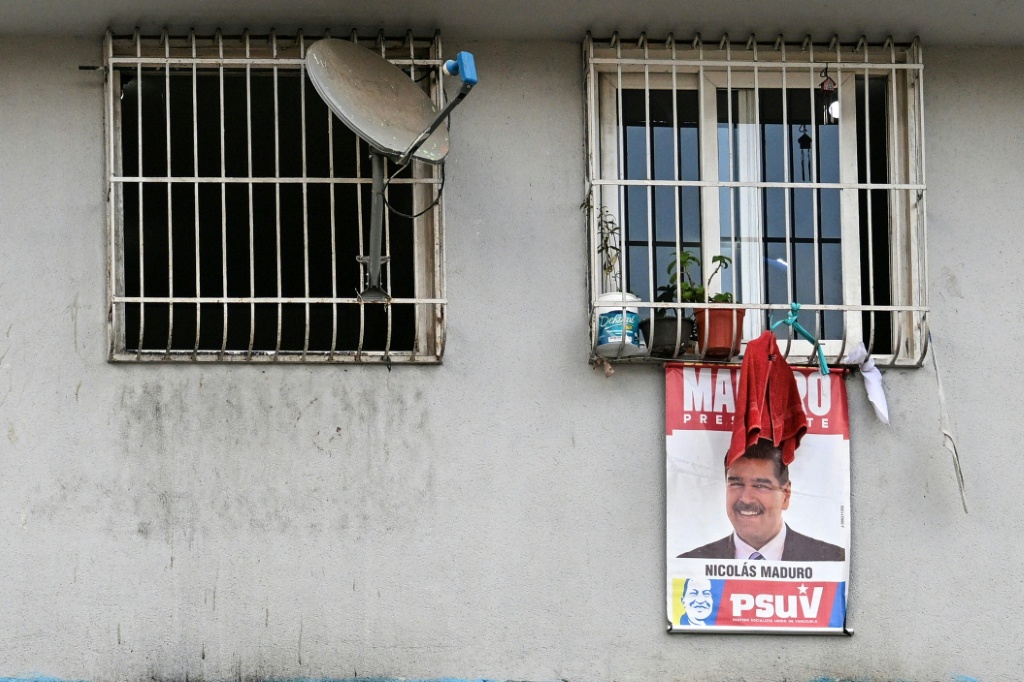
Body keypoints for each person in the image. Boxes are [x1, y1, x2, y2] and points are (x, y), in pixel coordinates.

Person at [678, 439, 845, 561]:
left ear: (786, 495)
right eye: (736, 484)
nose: (746, 498)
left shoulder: (830, 559)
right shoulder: (691, 563)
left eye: (760, 486)